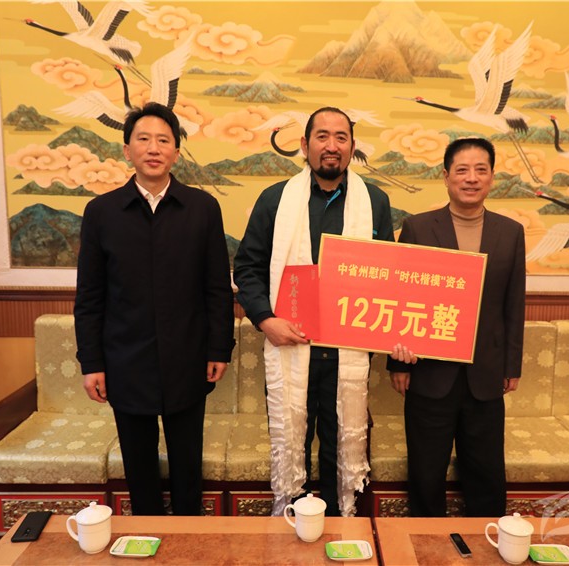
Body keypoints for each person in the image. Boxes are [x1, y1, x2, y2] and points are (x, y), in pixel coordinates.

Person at [74, 102, 235, 516]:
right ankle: (145, 534)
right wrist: (92, 362)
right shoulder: (101, 213)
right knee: (139, 467)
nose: (153, 148)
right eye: (143, 139)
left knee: (187, 464)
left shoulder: (202, 208)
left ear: (176, 152)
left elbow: (217, 288)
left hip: (187, 358)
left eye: (164, 140)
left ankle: (189, 538)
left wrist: (220, 349)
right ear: (126, 150)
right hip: (125, 361)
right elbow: (90, 297)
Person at [233, 107, 395, 517]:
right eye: (322, 136)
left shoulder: (374, 202)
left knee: (341, 449)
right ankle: (294, 526)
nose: (332, 146)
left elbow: (388, 274)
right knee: (295, 444)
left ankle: (341, 527)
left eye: (341, 137)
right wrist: (265, 319)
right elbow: (247, 267)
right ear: (305, 145)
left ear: (352, 147)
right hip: (290, 345)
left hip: (347, 352)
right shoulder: (275, 200)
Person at [388, 137, 525, 517]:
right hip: (428, 372)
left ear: (492, 177)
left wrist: (512, 365)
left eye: (481, 170)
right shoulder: (417, 227)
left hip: (486, 372)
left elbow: (514, 304)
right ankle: (423, 542)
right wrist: (397, 363)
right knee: (425, 471)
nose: (471, 178)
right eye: (462, 170)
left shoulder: (510, 232)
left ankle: (487, 539)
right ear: (446, 176)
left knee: (486, 471)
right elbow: (400, 296)